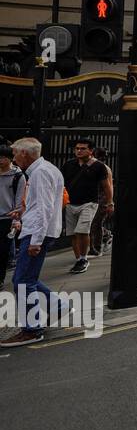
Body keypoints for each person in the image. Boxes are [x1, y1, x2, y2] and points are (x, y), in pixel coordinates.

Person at [2, 137, 64, 346]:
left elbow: (44, 209)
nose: (14, 157)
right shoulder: (44, 169)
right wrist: (21, 212)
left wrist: (36, 240)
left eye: (16, 153)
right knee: (28, 278)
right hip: (38, 230)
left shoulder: (40, 173)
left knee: (21, 282)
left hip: (37, 234)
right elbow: (41, 204)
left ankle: (32, 329)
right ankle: (57, 307)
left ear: (25, 154)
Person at [62, 137, 113, 275]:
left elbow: (106, 186)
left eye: (83, 148)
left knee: (82, 230)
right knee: (72, 233)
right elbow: (62, 184)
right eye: (77, 148)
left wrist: (110, 202)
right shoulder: (69, 165)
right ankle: (78, 259)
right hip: (70, 203)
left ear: (91, 151)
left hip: (89, 202)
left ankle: (84, 258)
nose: (79, 151)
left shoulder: (99, 166)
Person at [0, 144, 26, 288]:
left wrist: (17, 219)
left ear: (10, 159)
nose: (0, 161)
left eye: (3, 157)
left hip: (6, 217)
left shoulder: (17, 176)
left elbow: (19, 198)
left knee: (2, 251)